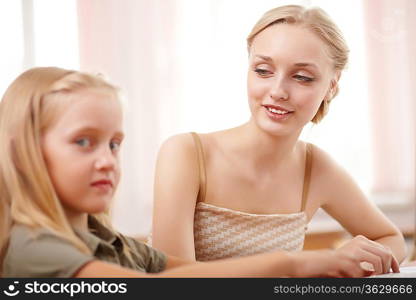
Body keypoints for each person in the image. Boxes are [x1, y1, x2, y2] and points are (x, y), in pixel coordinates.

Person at [0, 66, 370, 278]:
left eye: (114, 144)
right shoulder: (38, 252)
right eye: (84, 142)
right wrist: (292, 263)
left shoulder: (104, 238)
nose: (108, 160)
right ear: (24, 153)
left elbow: (187, 273)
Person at [151, 5, 407, 275]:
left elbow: (390, 238)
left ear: (332, 85)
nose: (277, 91)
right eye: (263, 71)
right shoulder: (185, 154)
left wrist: (347, 267)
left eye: (301, 77)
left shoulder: (316, 169)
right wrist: (309, 264)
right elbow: (175, 282)